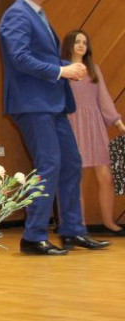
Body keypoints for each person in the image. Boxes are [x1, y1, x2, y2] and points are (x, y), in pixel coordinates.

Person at [0, 0, 110, 255]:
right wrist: (62, 71)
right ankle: (33, 236)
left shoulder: (36, 14)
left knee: (71, 162)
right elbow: (20, 58)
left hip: (51, 104)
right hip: (33, 104)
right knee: (49, 164)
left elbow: (39, 57)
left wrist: (66, 67)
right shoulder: (16, 15)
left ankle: (72, 231)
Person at [60, 30, 125, 234]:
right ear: (69, 44)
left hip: (94, 125)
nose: (81, 45)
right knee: (75, 178)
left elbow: (103, 98)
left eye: (84, 42)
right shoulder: (61, 69)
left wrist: (117, 122)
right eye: (77, 42)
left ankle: (109, 222)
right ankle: (78, 226)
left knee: (105, 177)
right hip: (72, 125)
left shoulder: (94, 69)